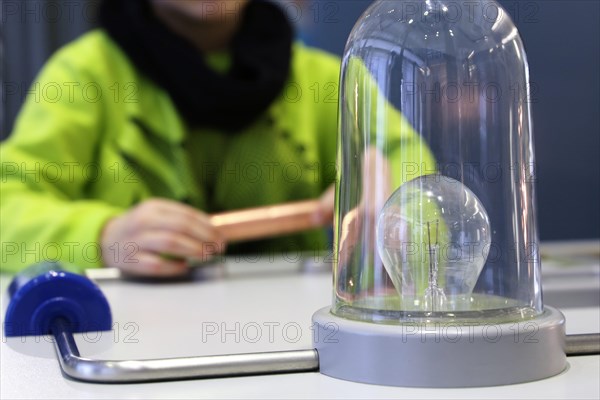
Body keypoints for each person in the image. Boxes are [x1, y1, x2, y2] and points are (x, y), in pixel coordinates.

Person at [0, 0, 340, 277]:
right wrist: (103, 236)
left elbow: (392, 172)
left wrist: (384, 202)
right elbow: (8, 208)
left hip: (297, 341)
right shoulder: (82, 76)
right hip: (124, 340)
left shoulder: (325, 80)